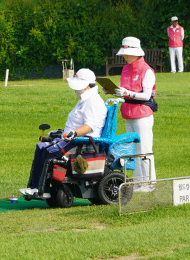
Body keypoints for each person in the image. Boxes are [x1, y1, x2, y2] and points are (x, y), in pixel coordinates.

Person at [19, 68, 107, 197]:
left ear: (87, 85)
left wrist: (74, 133)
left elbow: (90, 125)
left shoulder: (93, 101)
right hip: (72, 139)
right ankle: (34, 187)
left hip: (81, 143)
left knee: (49, 151)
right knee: (41, 147)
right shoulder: (84, 99)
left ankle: (42, 189)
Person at [108, 37, 157, 185]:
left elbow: (146, 95)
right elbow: (125, 92)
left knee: (144, 149)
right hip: (128, 114)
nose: (124, 56)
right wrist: (114, 92)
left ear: (136, 52)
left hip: (142, 114)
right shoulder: (125, 69)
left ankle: (149, 183)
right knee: (133, 151)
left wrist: (127, 93)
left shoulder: (147, 70)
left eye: (126, 53)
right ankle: (138, 182)